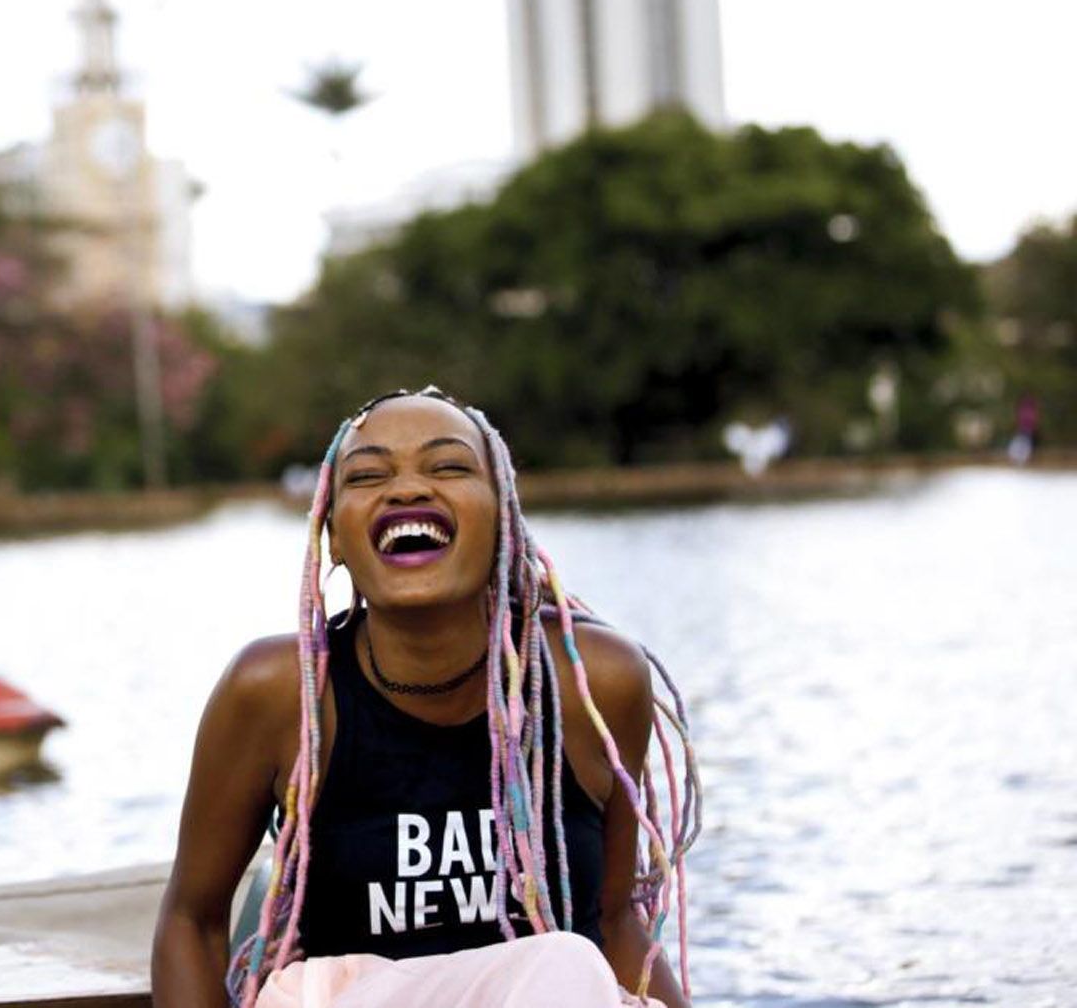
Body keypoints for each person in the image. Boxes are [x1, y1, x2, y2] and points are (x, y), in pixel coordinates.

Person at [152, 388, 697, 1008]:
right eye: (367, 476)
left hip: (560, 993)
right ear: (333, 537)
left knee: (569, 964)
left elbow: (617, 922)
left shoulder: (593, 682)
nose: (408, 490)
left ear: (504, 520)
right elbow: (190, 924)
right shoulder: (279, 691)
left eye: (448, 466)